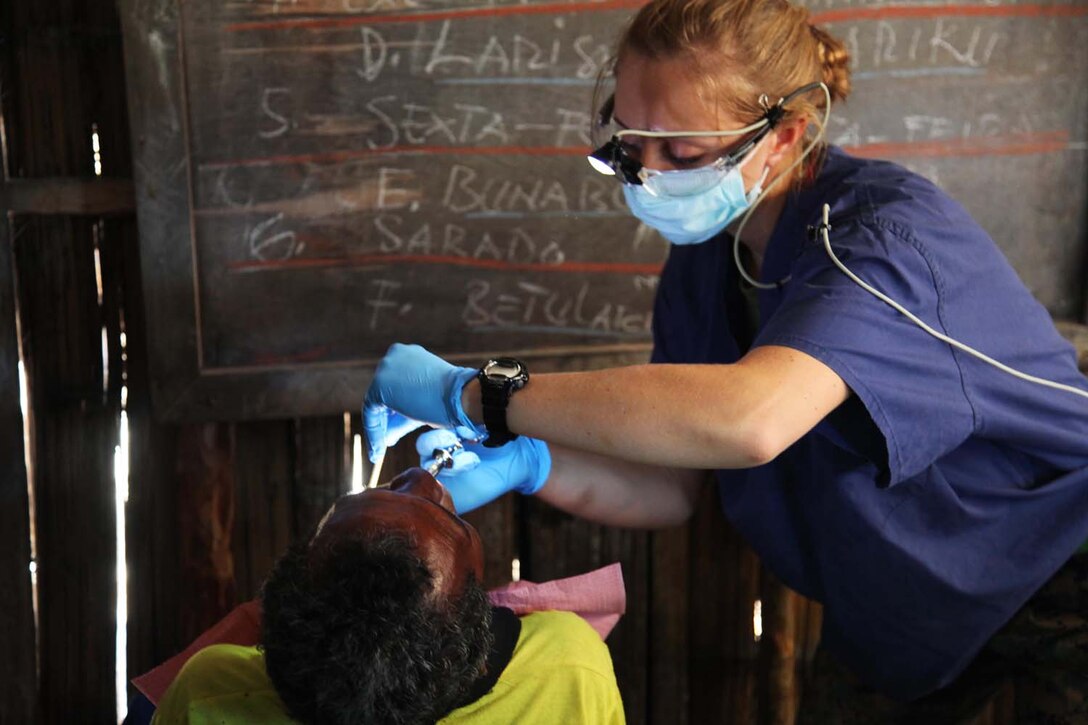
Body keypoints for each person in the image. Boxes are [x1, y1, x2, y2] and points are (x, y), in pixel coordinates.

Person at [362, 0, 1088, 720]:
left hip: (1057, 556)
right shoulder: (705, 268)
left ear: (784, 136)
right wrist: (531, 459)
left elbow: (749, 418)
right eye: (629, 143)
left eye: (680, 153)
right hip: (907, 607)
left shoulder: (880, 238)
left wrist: (477, 393)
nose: (645, 174)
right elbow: (671, 487)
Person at [151, 467, 625, 724]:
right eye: (454, 525)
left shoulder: (210, 695)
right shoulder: (567, 672)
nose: (420, 478)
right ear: (478, 649)